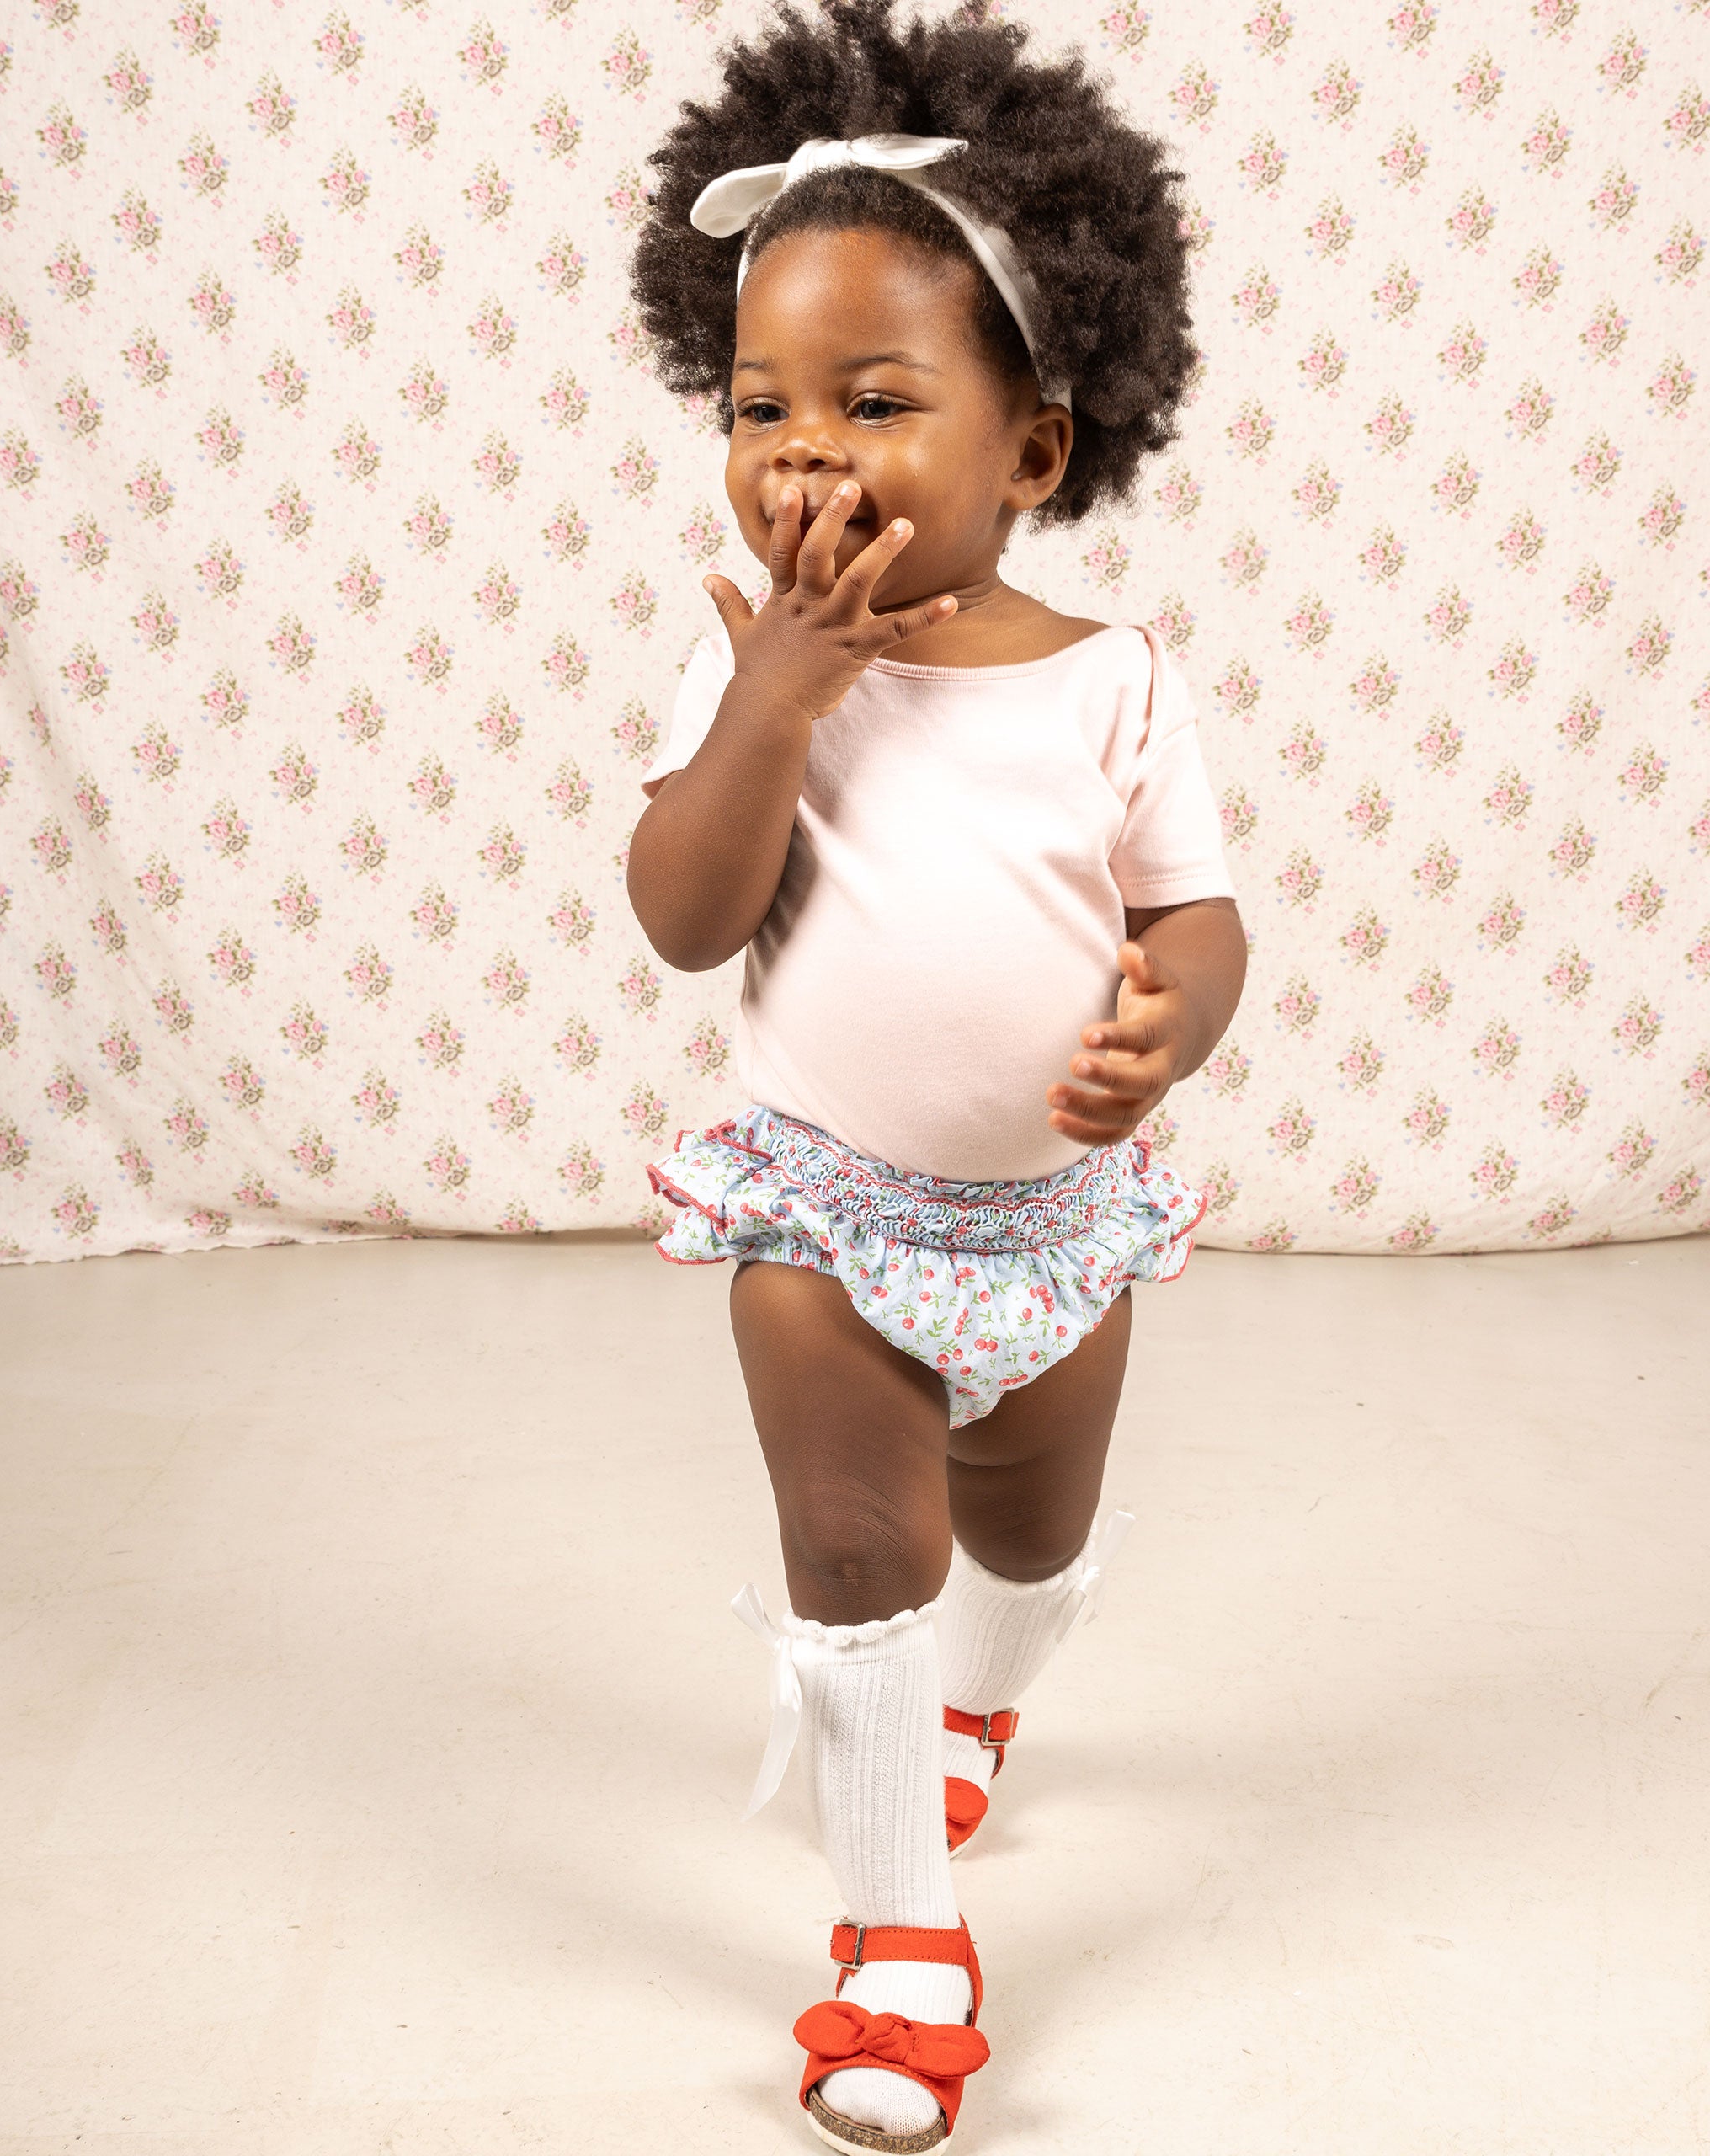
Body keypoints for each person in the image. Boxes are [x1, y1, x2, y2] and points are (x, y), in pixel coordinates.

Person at [626, 4, 1247, 2146]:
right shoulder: (751, 664)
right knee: (858, 1529)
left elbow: (1195, 917)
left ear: (1035, 453)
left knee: (1028, 1535)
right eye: (759, 403)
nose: (803, 452)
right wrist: (771, 704)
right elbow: (688, 916)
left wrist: (1175, 1017)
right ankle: (899, 1946)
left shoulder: (1113, 683)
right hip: (824, 1202)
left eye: (875, 401)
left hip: (1052, 1221)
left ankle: (985, 1701)